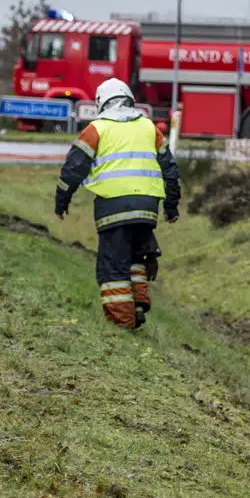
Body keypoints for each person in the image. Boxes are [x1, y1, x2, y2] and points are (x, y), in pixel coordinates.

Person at [54, 79, 180, 329]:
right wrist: (171, 206)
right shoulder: (149, 127)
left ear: (101, 103)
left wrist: (62, 200)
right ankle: (138, 304)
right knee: (135, 256)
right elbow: (170, 169)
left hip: (113, 207)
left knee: (112, 266)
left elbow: (73, 168)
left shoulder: (96, 129)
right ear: (130, 100)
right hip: (147, 207)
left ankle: (123, 322)